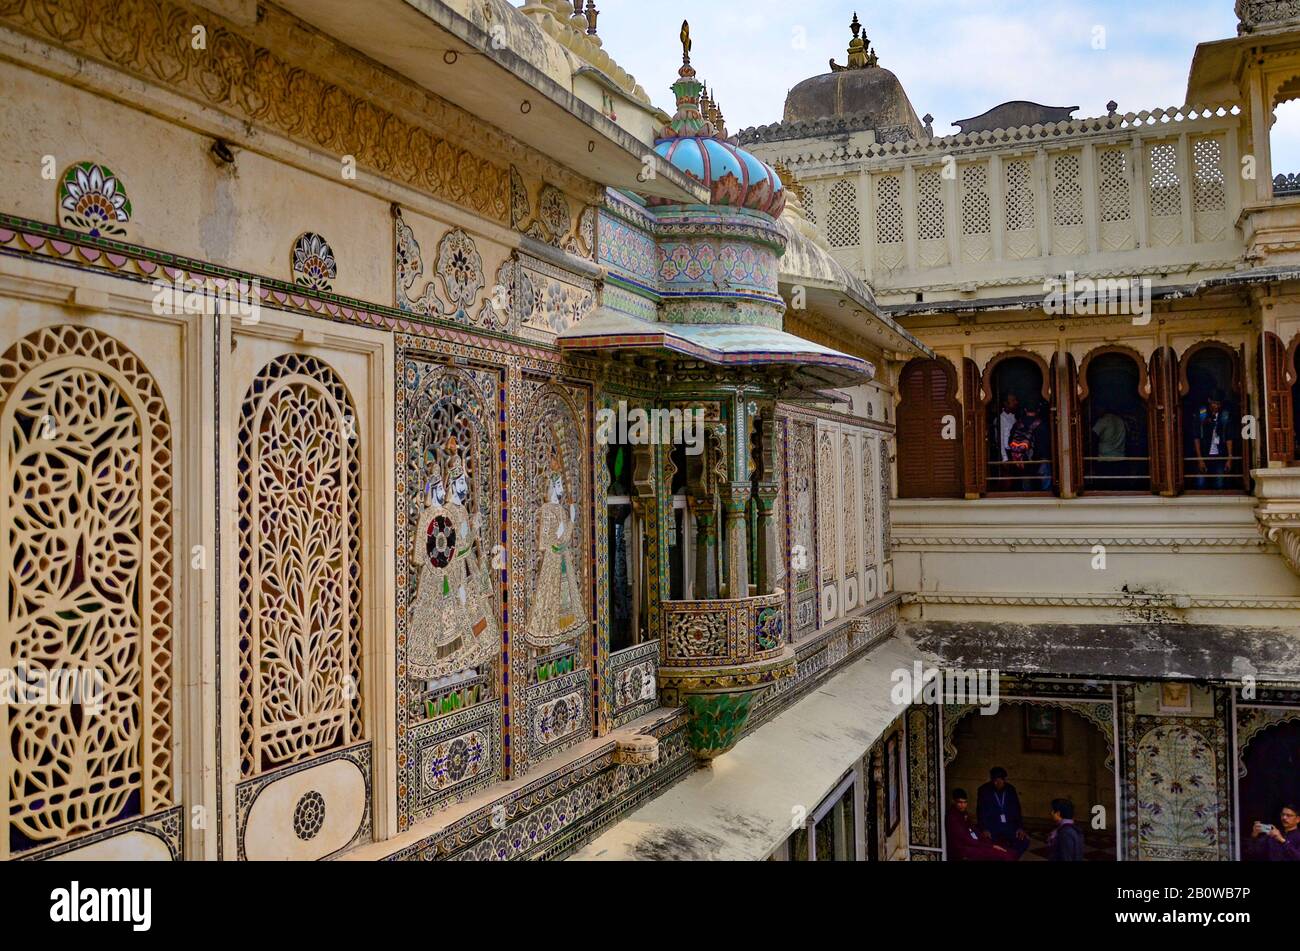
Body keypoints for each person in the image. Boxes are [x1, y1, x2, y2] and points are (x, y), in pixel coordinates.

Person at [946, 788, 1014, 862]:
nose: (963, 805)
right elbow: (966, 839)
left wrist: (988, 842)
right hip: (964, 849)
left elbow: (973, 830)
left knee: (1008, 850)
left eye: (965, 802)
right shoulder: (952, 817)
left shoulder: (963, 813)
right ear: (953, 802)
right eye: (960, 802)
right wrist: (990, 846)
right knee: (1002, 855)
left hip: (974, 843)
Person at [977, 767, 1030, 858]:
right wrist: (984, 828)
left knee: (1024, 840)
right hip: (992, 826)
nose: (996, 783)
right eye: (994, 781)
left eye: (999, 781)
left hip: (1009, 825)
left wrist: (1020, 827)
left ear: (1004, 780)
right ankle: (1005, 856)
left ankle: (1011, 857)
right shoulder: (984, 790)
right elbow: (980, 812)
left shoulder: (1010, 789)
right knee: (986, 844)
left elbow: (1017, 809)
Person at [1191, 389, 1235, 490]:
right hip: (1204, 454)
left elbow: (1229, 437)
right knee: (1200, 484)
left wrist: (1229, 458)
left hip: (1220, 455)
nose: (1216, 406)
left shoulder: (1225, 415)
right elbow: (1196, 437)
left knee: (1219, 484)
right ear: (1209, 401)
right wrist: (1199, 459)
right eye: (1214, 403)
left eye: (1218, 404)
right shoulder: (1202, 414)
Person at [1008, 399, 1052, 491]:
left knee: (1027, 488)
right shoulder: (1042, 425)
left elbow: (1010, 441)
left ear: (1025, 409)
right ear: (1038, 410)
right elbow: (1045, 443)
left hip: (1023, 461)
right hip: (1040, 460)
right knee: (1046, 488)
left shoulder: (1017, 424)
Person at [1092, 401, 1127, 487]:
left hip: (1105, 459)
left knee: (1105, 487)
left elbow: (1092, 437)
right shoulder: (1120, 420)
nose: (1096, 411)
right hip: (1120, 458)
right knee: (1118, 487)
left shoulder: (1103, 420)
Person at [995, 393, 1021, 490]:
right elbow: (1000, 440)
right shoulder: (1001, 419)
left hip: (1015, 451)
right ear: (1005, 403)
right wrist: (1005, 458)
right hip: (1007, 453)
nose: (1016, 402)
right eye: (1013, 401)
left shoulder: (1014, 416)